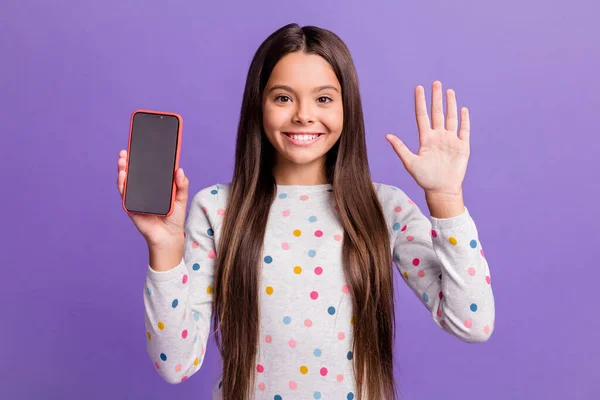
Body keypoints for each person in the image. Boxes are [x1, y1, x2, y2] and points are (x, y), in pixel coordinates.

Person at [116, 23, 495, 400]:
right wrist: (164, 249)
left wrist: (446, 199)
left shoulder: (385, 207)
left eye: (324, 99)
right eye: (283, 98)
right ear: (258, 105)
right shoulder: (217, 208)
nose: (303, 115)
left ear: (348, 107)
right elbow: (175, 364)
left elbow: (472, 323)